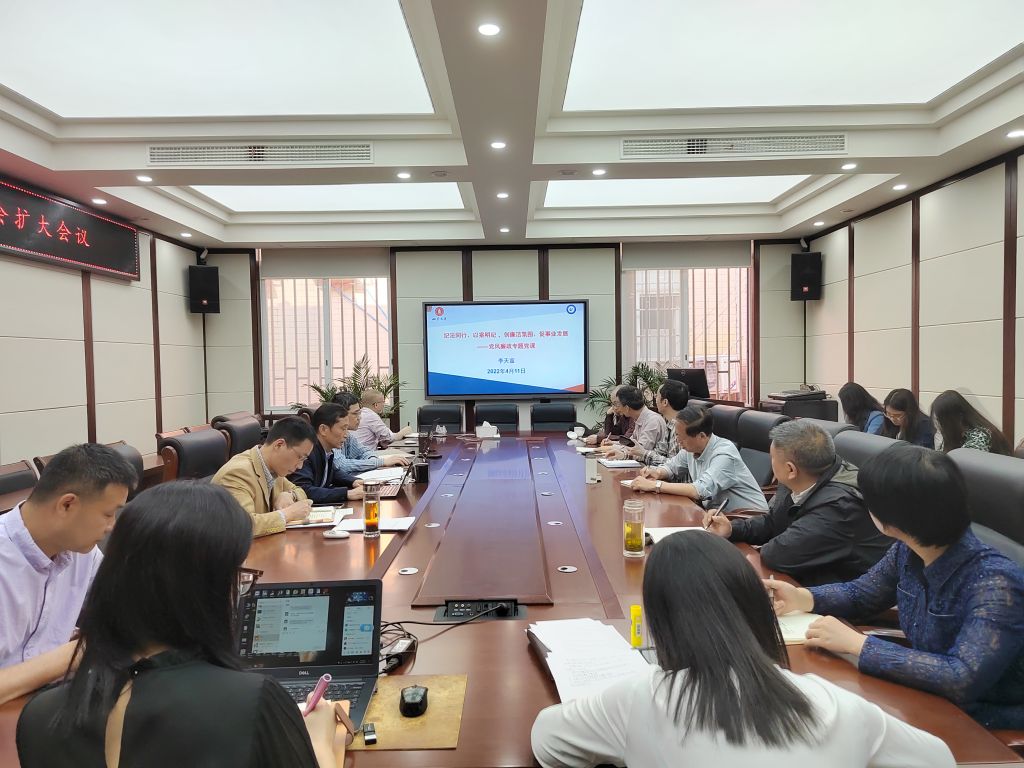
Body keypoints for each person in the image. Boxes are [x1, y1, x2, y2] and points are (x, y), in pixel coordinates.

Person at [530, 531, 954, 767]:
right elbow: (939, 760)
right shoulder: (837, 707)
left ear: (663, 624)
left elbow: (546, 740)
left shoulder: (641, 697)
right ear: (755, 606)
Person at [16, 481, 347, 768]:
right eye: (237, 576)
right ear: (208, 588)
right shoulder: (251, 702)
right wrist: (320, 740)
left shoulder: (39, 717)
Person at [768, 444, 1024, 729]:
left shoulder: (997, 583)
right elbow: (862, 594)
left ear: (891, 520)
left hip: (982, 722)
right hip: (924, 698)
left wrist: (859, 645)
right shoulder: (908, 550)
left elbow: (962, 678)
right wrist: (802, 597)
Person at [0, 444, 136, 706]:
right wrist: (73, 655)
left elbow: (120, 605)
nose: (111, 526)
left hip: (52, 704)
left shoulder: (81, 551)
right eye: (108, 514)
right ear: (67, 504)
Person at [705, 421, 891, 586]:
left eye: (772, 458)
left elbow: (777, 555)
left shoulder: (839, 506)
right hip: (808, 577)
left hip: (841, 596)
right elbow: (774, 522)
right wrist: (732, 529)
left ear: (790, 469)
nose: (771, 464)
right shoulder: (804, 477)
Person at [631, 404, 769, 512]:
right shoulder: (690, 449)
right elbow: (672, 467)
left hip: (747, 519)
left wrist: (655, 485)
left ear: (701, 436)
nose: (678, 441)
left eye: (682, 438)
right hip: (716, 515)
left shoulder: (724, 454)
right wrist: (657, 472)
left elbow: (700, 490)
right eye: (677, 435)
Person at [212, 416, 315, 537]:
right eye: (300, 457)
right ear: (279, 445)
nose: (300, 466)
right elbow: (244, 525)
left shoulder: (274, 467)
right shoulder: (237, 473)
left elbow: (299, 491)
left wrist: (289, 495)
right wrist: (288, 514)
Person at [289, 403, 366, 504]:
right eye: (343, 428)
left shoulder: (325, 451)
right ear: (323, 429)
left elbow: (333, 472)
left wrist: (354, 481)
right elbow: (303, 490)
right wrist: (347, 493)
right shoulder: (307, 452)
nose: (346, 435)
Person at [611, 379, 688, 466]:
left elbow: (676, 465)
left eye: (657, 395)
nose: (655, 397)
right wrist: (625, 455)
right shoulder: (669, 425)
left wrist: (643, 453)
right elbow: (658, 453)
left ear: (665, 402)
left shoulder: (681, 428)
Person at [331, 392, 410, 475]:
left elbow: (364, 452)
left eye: (359, 413)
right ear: (340, 415)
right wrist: (380, 462)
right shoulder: (332, 434)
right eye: (355, 413)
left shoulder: (348, 435)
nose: (359, 417)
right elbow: (341, 465)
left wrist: (374, 461)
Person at [931, 389, 1010, 454]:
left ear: (957, 417)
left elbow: (964, 462)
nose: (938, 425)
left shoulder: (981, 435)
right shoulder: (953, 435)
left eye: (942, 421)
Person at [597, 384, 666, 453]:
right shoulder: (639, 418)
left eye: (618, 404)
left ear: (627, 408)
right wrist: (613, 444)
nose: (616, 408)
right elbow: (631, 444)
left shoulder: (652, 421)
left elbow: (640, 450)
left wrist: (610, 448)